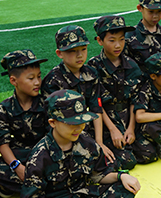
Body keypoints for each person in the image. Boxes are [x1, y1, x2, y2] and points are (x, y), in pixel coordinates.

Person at [20, 90, 141, 198]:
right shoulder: (40, 156)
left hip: (86, 197)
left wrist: (121, 176)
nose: (79, 128)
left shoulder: (86, 142)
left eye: (82, 122)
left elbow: (99, 176)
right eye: (71, 123)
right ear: (53, 122)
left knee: (127, 188)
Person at [41, 25, 113, 163]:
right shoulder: (53, 82)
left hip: (85, 127)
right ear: (59, 53)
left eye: (83, 49)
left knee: (119, 159)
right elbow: (55, 122)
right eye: (72, 51)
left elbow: (95, 108)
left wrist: (99, 142)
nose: (79, 55)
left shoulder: (91, 73)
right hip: (64, 134)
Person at [88, 15, 143, 171]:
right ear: (100, 41)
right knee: (127, 161)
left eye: (122, 39)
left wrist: (131, 128)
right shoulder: (93, 67)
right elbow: (96, 103)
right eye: (112, 40)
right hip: (106, 119)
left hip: (128, 116)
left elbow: (135, 99)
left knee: (148, 154)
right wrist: (113, 129)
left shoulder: (132, 65)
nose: (118, 45)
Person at [0, 49, 49, 198]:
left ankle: (32, 186)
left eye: (39, 76)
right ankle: (42, 187)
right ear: (13, 81)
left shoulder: (47, 102)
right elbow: (2, 143)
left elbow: (54, 137)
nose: (37, 82)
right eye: (31, 78)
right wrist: (16, 166)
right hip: (20, 156)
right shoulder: (5, 108)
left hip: (45, 153)